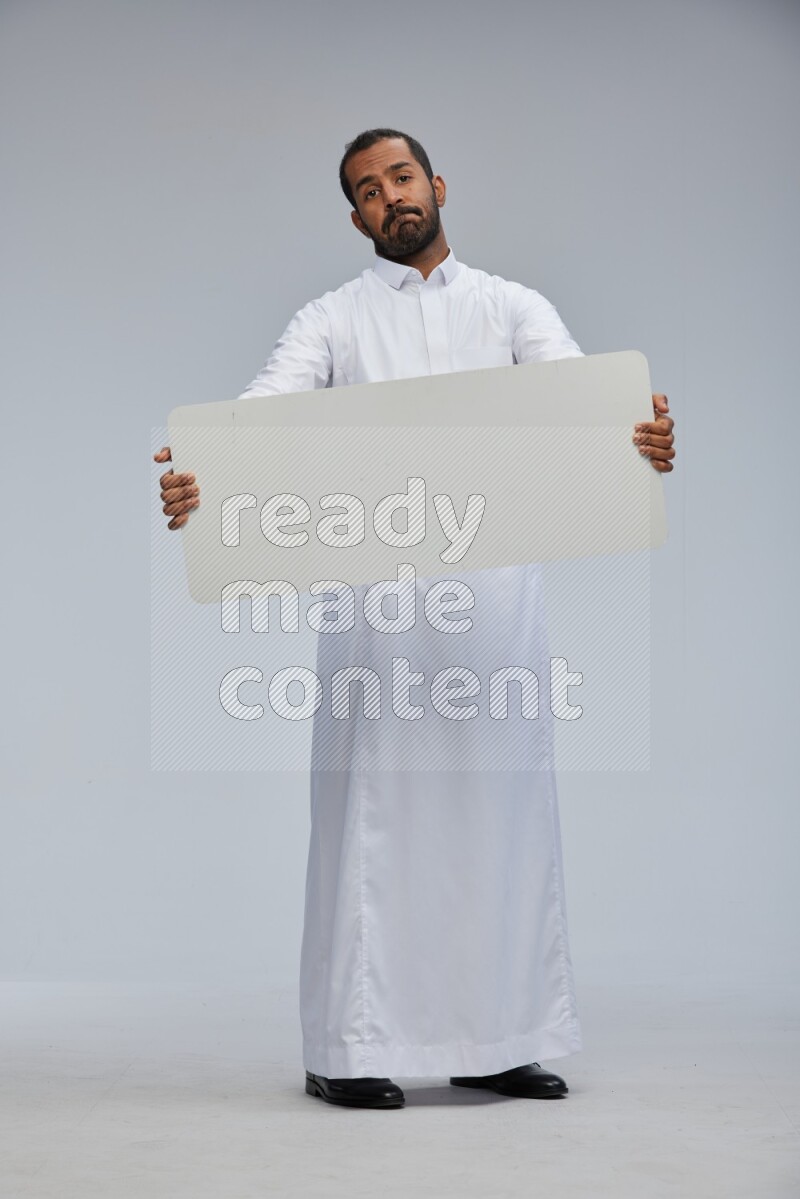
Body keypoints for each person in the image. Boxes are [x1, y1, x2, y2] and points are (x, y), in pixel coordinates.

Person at [154, 128, 675, 1110]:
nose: (386, 195)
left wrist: (637, 434)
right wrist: (202, 481)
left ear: (435, 185)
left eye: (398, 175)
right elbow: (259, 420)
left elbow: (582, 401)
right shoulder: (333, 321)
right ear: (353, 217)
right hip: (378, 619)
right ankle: (344, 1049)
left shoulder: (509, 306)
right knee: (369, 828)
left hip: (493, 622)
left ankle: (498, 1036)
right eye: (364, 189)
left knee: (499, 818)